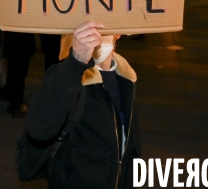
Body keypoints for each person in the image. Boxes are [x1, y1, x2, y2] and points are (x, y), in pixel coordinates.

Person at [26, 21, 141, 188]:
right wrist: (76, 62)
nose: (94, 36)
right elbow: (38, 129)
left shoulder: (126, 80)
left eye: (102, 28)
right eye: (87, 30)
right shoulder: (66, 78)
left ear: (118, 34)